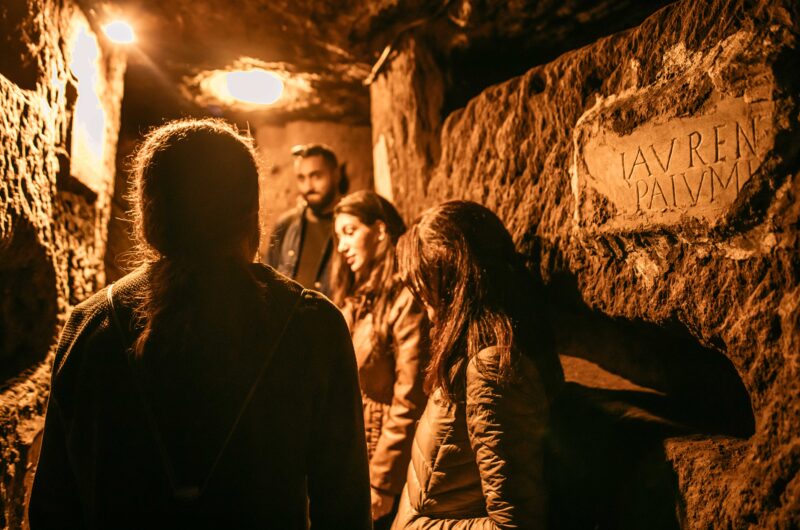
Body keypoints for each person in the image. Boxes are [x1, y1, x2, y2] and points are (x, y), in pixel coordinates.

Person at [28, 119, 371, 529]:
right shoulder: (313, 327)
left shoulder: (92, 326)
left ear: (149, 218)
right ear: (251, 215)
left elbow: (53, 506)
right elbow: (345, 510)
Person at [391, 200, 564, 530]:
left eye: (429, 289)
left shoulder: (491, 369)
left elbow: (514, 525)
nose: (425, 306)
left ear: (457, 284)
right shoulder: (470, 355)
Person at [331, 191, 430, 530]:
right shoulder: (360, 299)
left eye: (350, 231)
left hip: (386, 453)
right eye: (338, 236)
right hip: (360, 447)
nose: (342, 246)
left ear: (381, 231)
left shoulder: (405, 300)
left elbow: (410, 394)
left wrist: (382, 480)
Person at [266, 143, 347, 297]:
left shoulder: (351, 226)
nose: (308, 186)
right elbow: (269, 281)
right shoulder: (286, 225)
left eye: (316, 176)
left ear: (336, 175)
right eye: (301, 178)